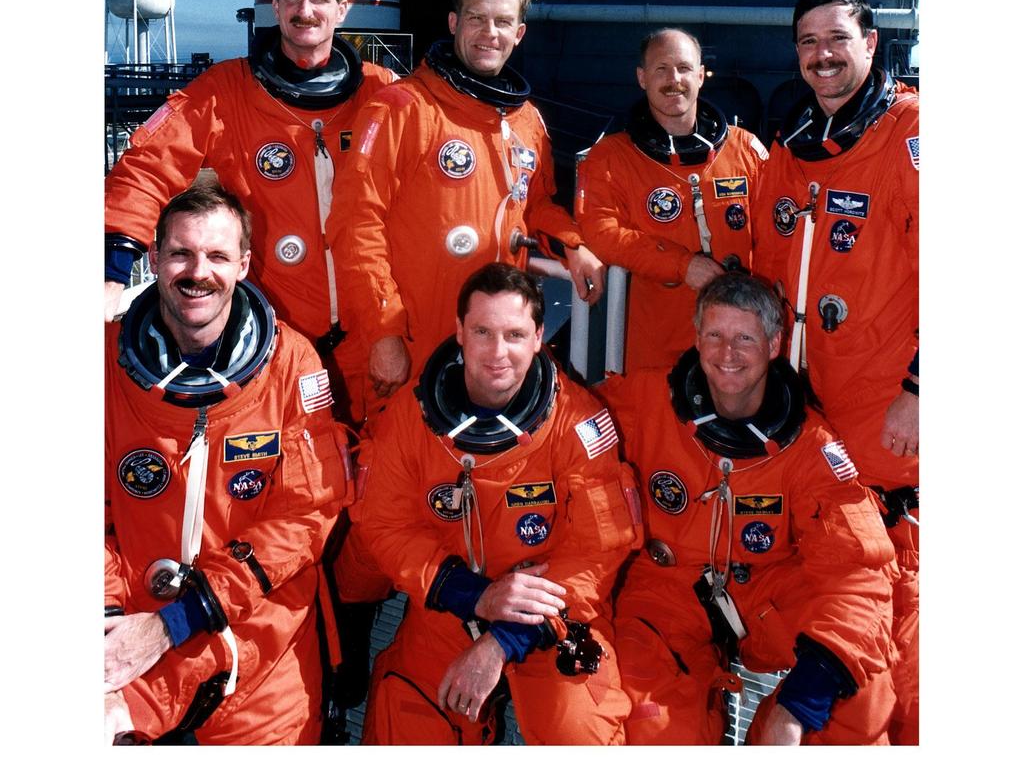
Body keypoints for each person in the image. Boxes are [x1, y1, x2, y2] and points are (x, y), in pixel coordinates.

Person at [602, 272, 898, 746]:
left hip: (768, 590)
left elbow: (858, 575)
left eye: (744, 338)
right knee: (652, 725)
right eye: (715, 335)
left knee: (858, 694)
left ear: (776, 343)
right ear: (697, 339)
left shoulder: (810, 443)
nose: (727, 354)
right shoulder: (643, 401)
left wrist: (798, 706)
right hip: (665, 590)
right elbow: (565, 431)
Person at [104, 184, 352, 745]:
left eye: (217, 256)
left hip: (259, 637)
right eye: (181, 254)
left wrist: (178, 621)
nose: (199, 272)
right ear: (154, 259)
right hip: (129, 623)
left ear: (244, 264)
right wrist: (109, 615)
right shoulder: (103, 359)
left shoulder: (293, 362)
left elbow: (306, 518)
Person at [351, 263, 639, 745]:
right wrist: (473, 595)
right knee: (406, 730)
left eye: (514, 334)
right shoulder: (410, 415)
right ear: (459, 332)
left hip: (549, 619)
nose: (498, 352)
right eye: (482, 331)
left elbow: (597, 552)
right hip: (447, 608)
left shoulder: (580, 424)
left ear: (539, 337)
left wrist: (503, 639)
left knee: (580, 733)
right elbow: (385, 526)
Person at [104, 0, 395, 423]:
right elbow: (146, 166)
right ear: (275, 8)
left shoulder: (382, 94)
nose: (305, 11)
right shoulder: (226, 92)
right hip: (277, 329)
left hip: (371, 331)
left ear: (342, 10)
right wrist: (113, 269)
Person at [751, 0, 918, 744]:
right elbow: (766, 269)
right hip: (817, 419)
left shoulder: (912, 135)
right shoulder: (793, 152)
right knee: (839, 598)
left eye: (837, 38)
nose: (822, 54)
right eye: (807, 41)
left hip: (891, 423)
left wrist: (922, 389)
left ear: (872, 44)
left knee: (902, 620)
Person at [329, 0, 604, 408]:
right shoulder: (404, 107)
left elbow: (534, 206)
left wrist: (573, 245)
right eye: (476, 18)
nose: (488, 33)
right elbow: (355, 225)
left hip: (491, 347)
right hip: (413, 339)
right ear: (454, 23)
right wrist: (384, 333)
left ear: (519, 33)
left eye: (501, 23)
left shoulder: (526, 121)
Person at [577, 27, 768, 370]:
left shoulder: (745, 149)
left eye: (683, 68)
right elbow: (600, 231)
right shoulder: (611, 157)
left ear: (700, 75)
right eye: (660, 69)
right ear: (641, 77)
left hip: (740, 341)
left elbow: (778, 233)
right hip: (656, 344)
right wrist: (681, 265)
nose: (673, 79)